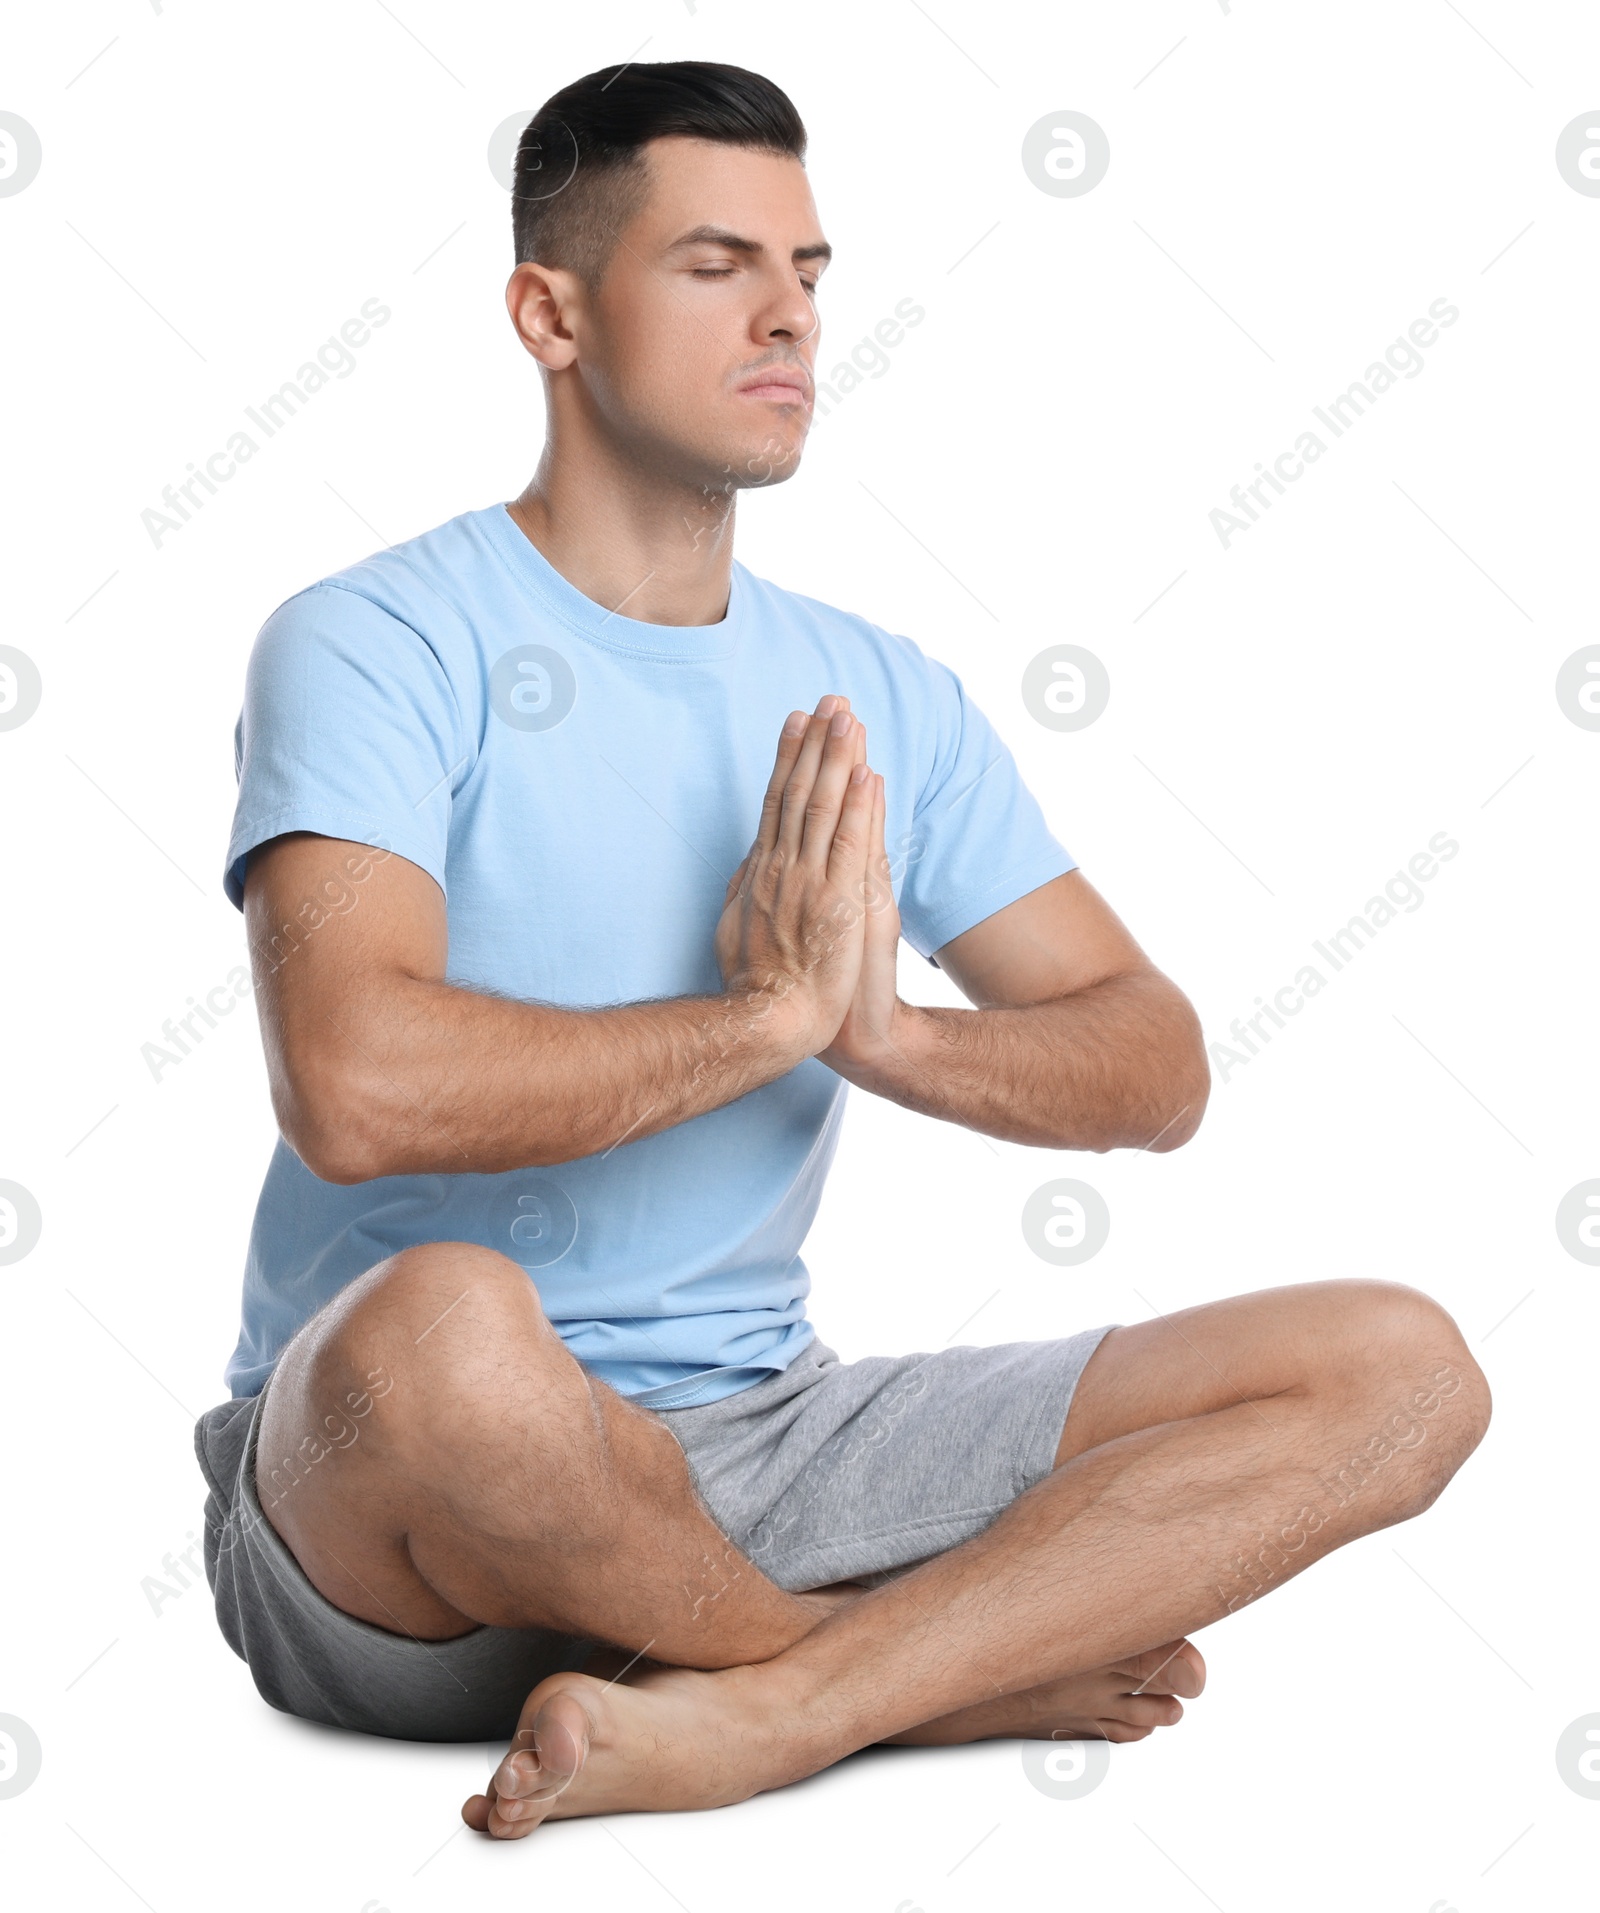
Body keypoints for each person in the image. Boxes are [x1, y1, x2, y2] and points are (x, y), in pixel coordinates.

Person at [193, 60, 1490, 1837]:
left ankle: (770, 1710)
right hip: (389, 1504)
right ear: (549, 313)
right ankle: (886, 1677)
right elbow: (352, 1083)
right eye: (718, 262)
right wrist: (759, 1021)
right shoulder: (373, 642)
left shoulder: (879, 689)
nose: (791, 310)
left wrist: (882, 1035)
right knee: (444, 1329)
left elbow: (1156, 1063)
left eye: (809, 267)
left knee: (1401, 1363)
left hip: (758, 1438)